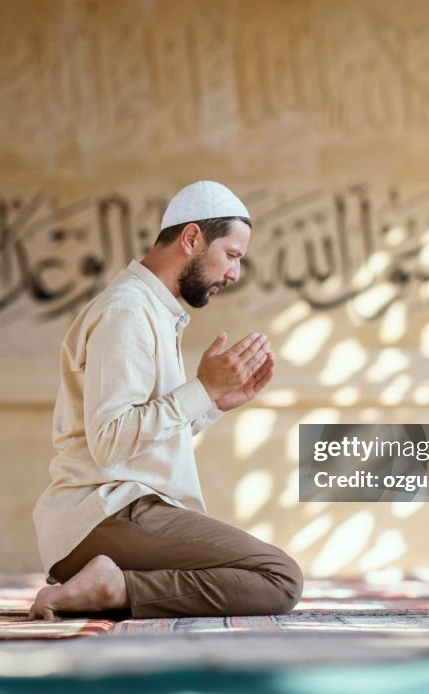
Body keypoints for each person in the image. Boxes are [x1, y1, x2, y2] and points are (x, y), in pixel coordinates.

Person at [29, 181, 304, 620]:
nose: (234, 274)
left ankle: (113, 585)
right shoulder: (127, 310)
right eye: (231, 255)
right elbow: (111, 442)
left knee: (272, 575)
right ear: (191, 238)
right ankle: (113, 587)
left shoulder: (154, 311)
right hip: (106, 513)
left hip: (121, 512)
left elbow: (143, 434)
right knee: (278, 577)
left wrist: (213, 402)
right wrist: (201, 390)